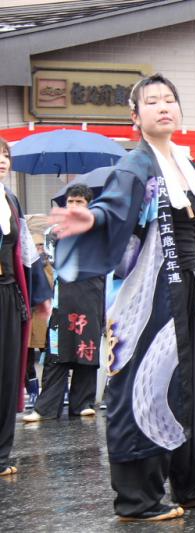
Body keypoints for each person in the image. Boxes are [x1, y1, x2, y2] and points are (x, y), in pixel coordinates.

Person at [49, 74, 195, 520]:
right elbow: (114, 209)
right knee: (144, 385)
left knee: (192, 389)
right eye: (152, 101)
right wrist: (92, 221)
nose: (164, 107)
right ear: (135, 117)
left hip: (190, 288)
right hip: (152, 294)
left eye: (170, 99)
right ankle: (137, 498)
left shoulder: (189, 166)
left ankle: (192, 483)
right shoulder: (134, 166)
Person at [24, 184, 104, 422]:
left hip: (91, 296)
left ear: (89, 205)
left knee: (86, 350)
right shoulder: (55, 232)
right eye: (71, 201)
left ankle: (83, 402)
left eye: (80, 202)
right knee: (57, 352)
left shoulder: (99, 230)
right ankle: (46, 406)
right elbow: (49, 260)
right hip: (64, 298)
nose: (75, 206)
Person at [0, 138, 52, 477]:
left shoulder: (10, 199)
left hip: (6, 291)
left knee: (8, 374)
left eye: (4, 156)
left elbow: (25, 253)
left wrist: (40, 294)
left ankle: (2, 453)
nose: (2, 161)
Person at [25, 232, 55, 408]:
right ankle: (33, 391)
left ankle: (51, 390)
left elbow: (52, 288)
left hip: (44, 317)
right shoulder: (28, 265)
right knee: (28, 358)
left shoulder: (50, 265)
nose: (38, 249)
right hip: (30, 317)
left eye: (40, 246)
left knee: (50, 354)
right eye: (35, 246)